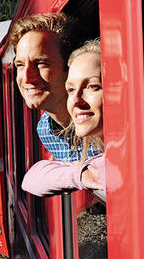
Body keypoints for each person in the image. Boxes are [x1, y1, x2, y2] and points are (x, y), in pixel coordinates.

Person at [22, 38, 105, 199]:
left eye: (92, 86)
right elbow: (30, 180)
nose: (75, 100)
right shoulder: (45, 128)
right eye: (71, 89)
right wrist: (80, 174)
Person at [9, 13, 85, 162]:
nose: (26, 78)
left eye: (41, 63)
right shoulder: (45, 130)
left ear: (70, 68)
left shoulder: (102, 124)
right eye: (20, 65)